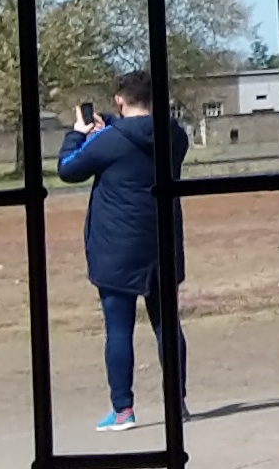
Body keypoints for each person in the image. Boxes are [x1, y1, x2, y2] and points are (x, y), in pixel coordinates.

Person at [57, 68, 191, 432]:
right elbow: (137, 131)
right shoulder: (175, 136)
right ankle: (177, 401)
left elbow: (68, 169)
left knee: (118, 330)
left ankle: (123, 409)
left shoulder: (110, 141)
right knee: (167, 326)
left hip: (117, 246)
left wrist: (77, 133)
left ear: (119, 99)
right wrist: (111, 125)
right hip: (162, 240)